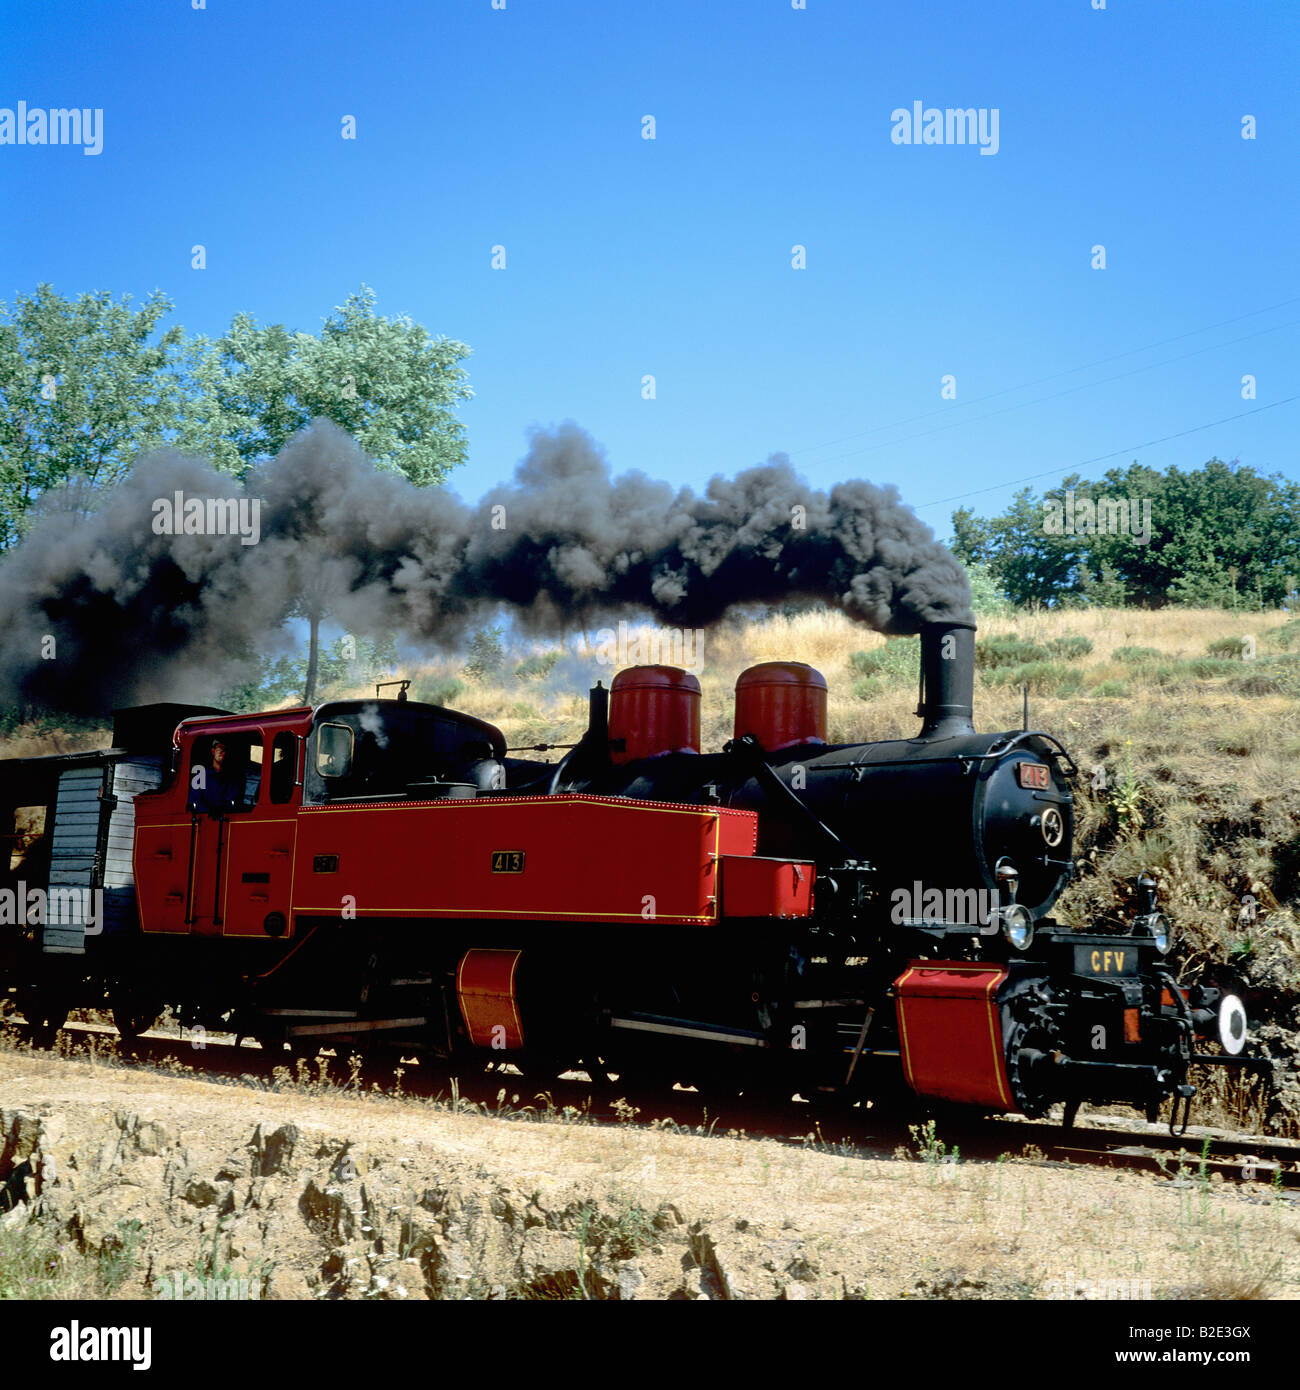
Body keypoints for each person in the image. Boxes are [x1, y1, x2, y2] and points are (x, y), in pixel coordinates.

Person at [189, 739, 242, 815]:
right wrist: (208, 811)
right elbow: (194, 801)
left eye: (224, 750)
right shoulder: (201, 775)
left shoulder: (230, 779)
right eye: (219, 749)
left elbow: (232, 800)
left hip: (224, 820)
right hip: (204, 821)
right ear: (213, 751)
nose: (221, 752)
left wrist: (222, 809)